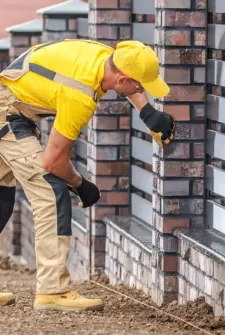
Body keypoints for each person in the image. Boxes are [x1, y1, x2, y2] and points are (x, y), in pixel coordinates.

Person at [0, 39, 176, 312]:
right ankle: (53, 290)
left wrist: (147, 111)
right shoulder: (79, 94)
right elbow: (53, 161)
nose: (141, 90)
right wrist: (80, 184)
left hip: (9, 102)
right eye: (140, 86)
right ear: (123, 79)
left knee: (1, 198)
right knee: (50, 191)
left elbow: (127, 77)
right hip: (7, 113)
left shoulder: (104, 56)